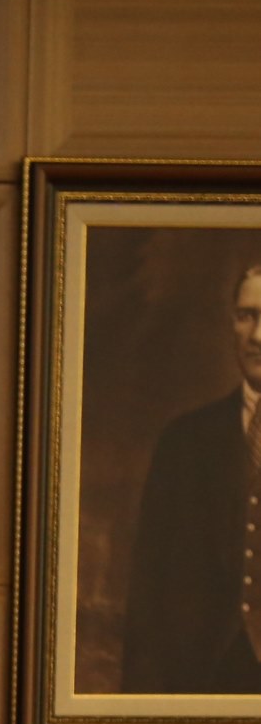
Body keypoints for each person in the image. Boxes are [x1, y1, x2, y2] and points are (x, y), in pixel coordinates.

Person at [120, 262, 261, 693]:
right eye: (246, 316)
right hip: (199, 685)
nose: (257, 335)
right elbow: (148, 590)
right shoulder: (185, 440)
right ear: (231, 324)